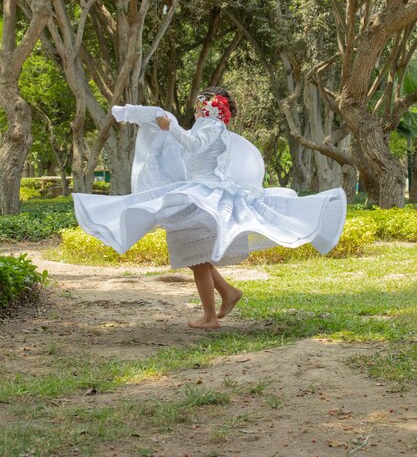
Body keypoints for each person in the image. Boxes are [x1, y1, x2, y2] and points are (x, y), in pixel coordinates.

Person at [73, 87, 347, 330]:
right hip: (198, 192)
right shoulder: (208, 127)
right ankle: (227, 293)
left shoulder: (212, 128)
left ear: (210, 106)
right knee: (196, 255)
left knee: (196, 257)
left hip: (205, 195)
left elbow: (192, 146)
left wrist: (170, 126)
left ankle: (210, 316)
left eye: (199, 104)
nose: (195, 108)